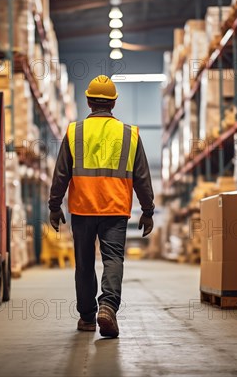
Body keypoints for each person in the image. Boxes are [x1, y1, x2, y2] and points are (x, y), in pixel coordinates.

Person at [48, 75, 155, 338]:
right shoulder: (129, 133)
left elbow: (61, 173)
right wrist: (147, 210)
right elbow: (142, 176)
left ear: (88, 101)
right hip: (115, 209)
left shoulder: (75, 131)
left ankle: (86, 317)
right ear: (114, 103)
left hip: (82, 208)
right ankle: (107, 306)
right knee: (112, 259)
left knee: (84, 264)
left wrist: (54, 205)